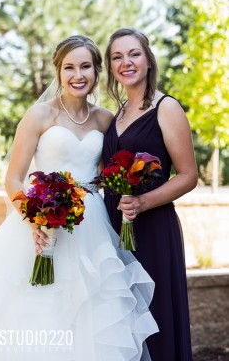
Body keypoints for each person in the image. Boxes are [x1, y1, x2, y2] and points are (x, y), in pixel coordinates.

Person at [0, 35, 158, 361]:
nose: (77, 75)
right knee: (40, 311)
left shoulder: (105, 120)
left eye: (85, 66)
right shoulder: (39, 116)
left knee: (92, 313)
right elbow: (12, 177)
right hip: (42, 225)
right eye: (69, 67)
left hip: (93, 227)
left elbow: (105, 176)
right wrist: (33, 220)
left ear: (97, 71)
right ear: (58, 71)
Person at [102, 27, 198, 361]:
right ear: (111, 67)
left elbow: (188, 176)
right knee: (125, 320)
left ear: (148, 60)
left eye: (133, 54)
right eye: (117, 57)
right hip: (116, 228)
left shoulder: (166, 107)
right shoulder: (115, 115)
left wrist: (143, 201)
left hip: (153, 228)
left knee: (155, 319)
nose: (125, 62)